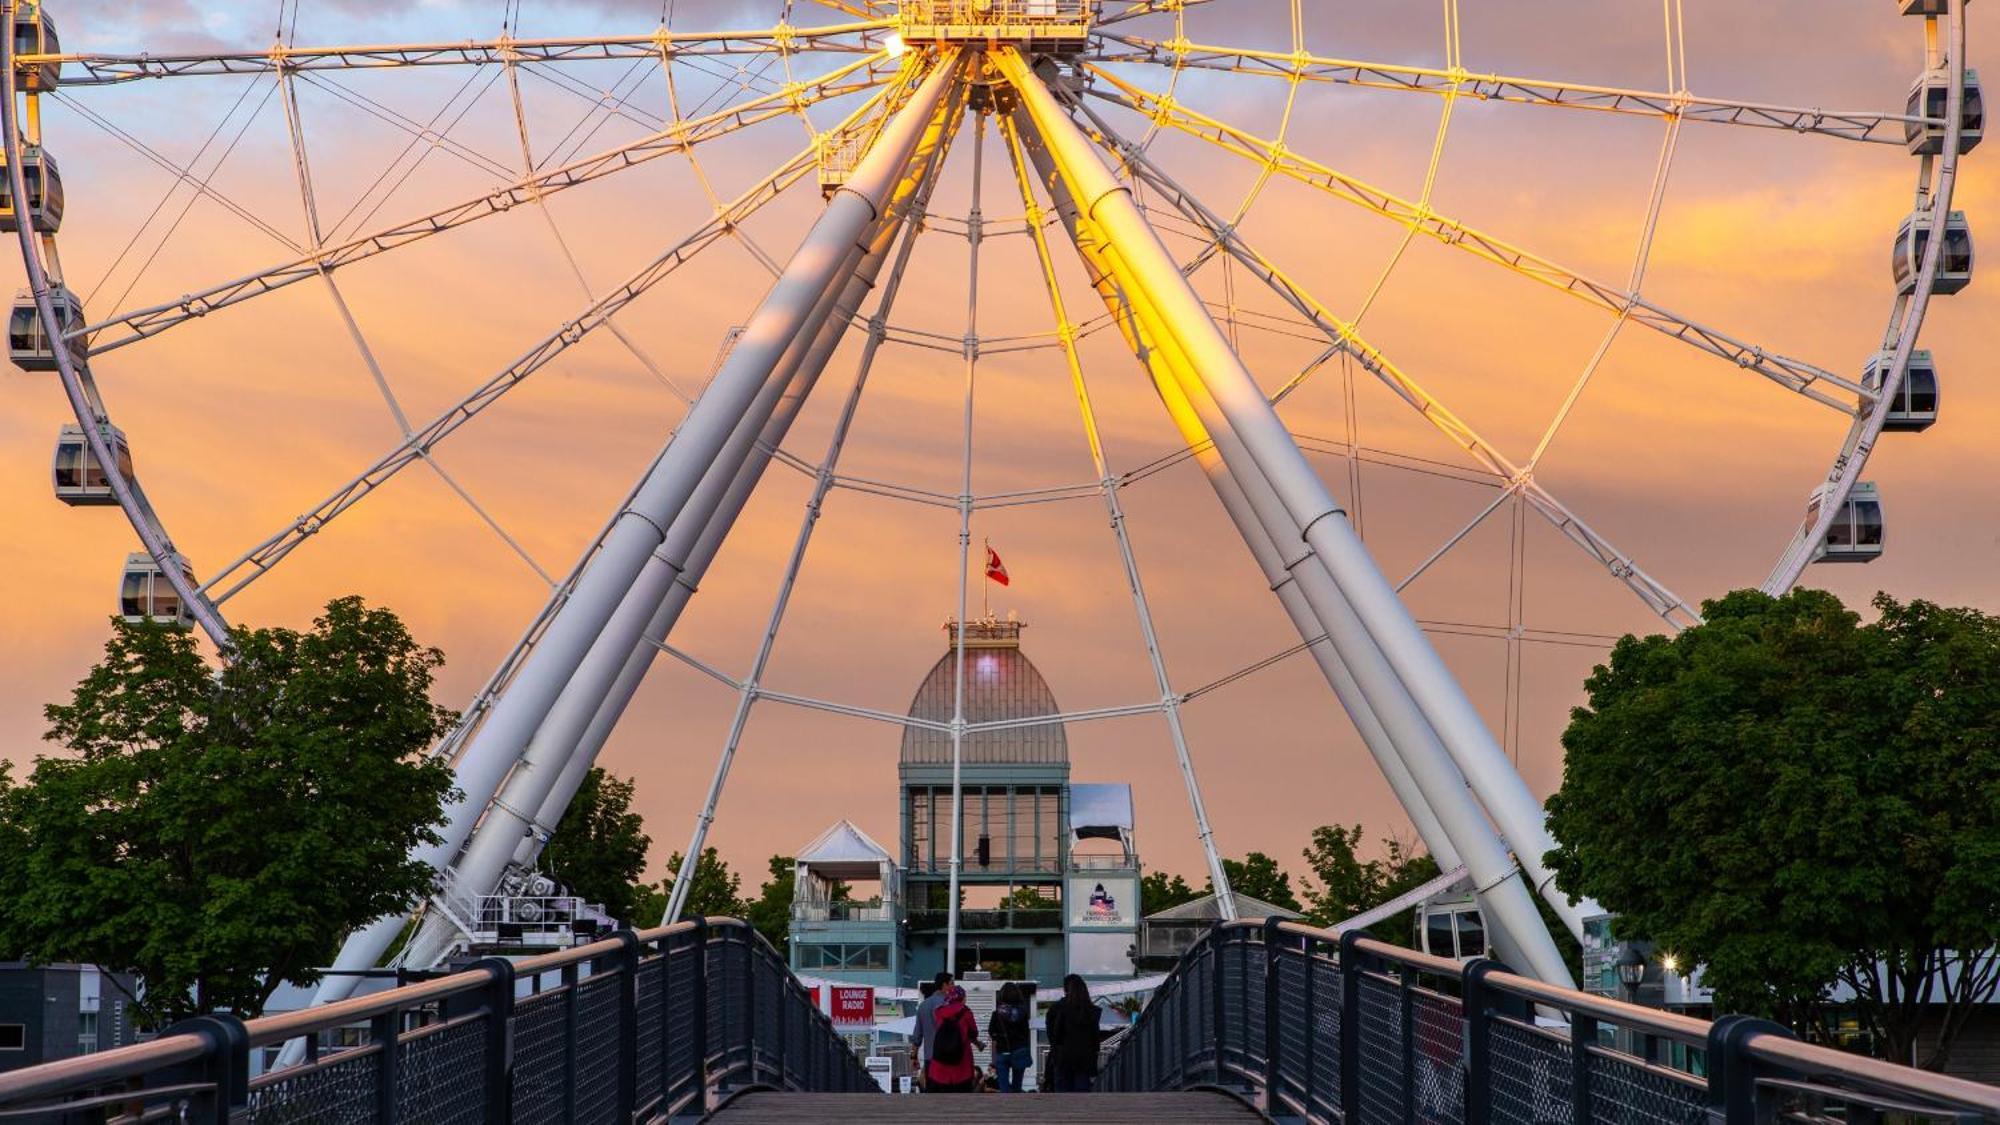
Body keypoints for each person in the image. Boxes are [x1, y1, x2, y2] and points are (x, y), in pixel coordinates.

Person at [1044, 974, 1102, 1093]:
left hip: (1062, 1058)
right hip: (1085, 1059)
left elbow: (1053, 1035)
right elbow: (1095, 1038)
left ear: (1065, 989)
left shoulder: (1057, 1009)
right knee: (1081, 1092)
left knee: (1063, 1092)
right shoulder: (1090, 1011)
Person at [923, 985, 984, 1093]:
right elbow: (974, 1033)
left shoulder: (938, 1011)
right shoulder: (966, 1012)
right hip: (962, 1066)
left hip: (939, 1066)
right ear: (962, 998)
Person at [988, 981, 1032, 1092]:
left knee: (1004, 1087)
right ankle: (1017, 1106)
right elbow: (1026, 1032)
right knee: (1017, 1085)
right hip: (1020, 1050)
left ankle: (1006, 1107)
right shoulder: (1023, 1012)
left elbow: (991, 1031)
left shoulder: (997, 1013)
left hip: (1003, 1050)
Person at [914, 973, 951, 1090]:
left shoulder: (923, 1006)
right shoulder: (948, 1004)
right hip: (948, 1058)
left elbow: (917, 1036)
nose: (953, 987)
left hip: (929, 1058)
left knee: (932, 1093)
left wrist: (913, 1057)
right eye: (952, 983)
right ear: (945, 985)